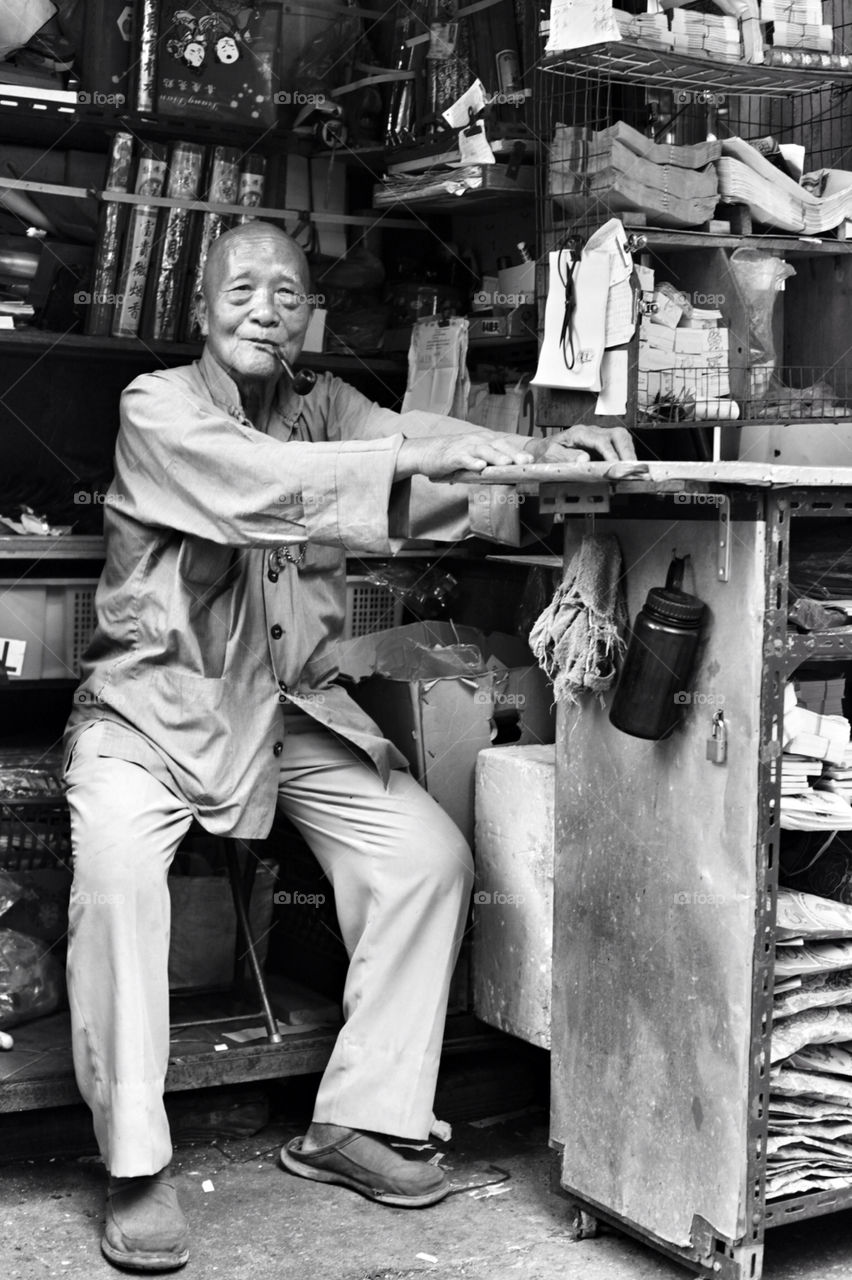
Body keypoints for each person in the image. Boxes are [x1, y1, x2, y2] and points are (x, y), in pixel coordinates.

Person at [63, 221, 635, 1272]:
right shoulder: (159, 407)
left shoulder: (327, 404)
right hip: (152, 711)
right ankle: (137, 1160)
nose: (265, 308)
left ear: (307, 315)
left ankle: (355, 1123)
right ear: (201, 307)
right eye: (242, 289)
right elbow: (267, 483)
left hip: (291, 709)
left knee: (427, 857)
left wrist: (540, 453)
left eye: (287, 292)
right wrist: (436, 449)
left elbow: (414, 438)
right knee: (115, 878)